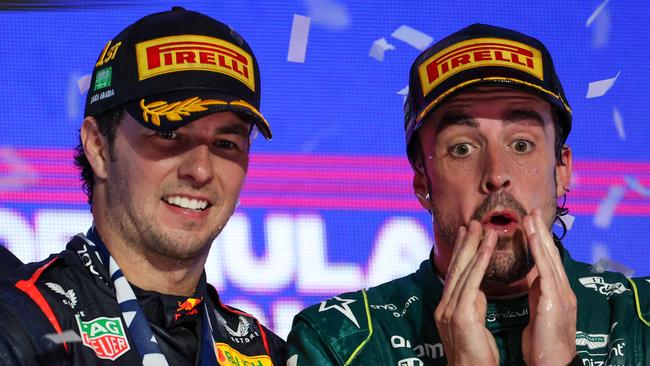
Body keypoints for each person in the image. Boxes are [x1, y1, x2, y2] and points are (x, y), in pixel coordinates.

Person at [286, 23, 650, 365]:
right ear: (422, 183)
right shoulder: (340, 341)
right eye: (462, 149)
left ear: (561, 170)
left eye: (521, 144)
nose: (496, 174)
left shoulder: (642, 318)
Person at [0, 7, 286, 365]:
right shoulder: (23, 331)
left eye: (226, 143)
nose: (200, 170)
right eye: (168, 134)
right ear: (99, 146)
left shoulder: (268, 352)